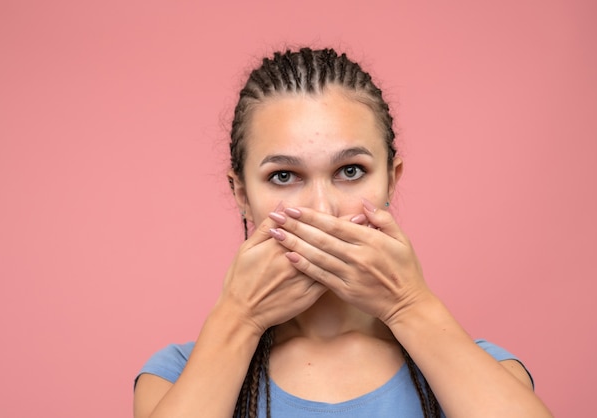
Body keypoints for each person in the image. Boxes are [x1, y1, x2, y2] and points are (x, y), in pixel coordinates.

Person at [133, 47, 553, 418]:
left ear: (391, 179)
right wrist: (238, 318)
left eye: (350, 171)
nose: (322, 208)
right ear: (241, 194)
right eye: (283, 175)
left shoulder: (482, 373)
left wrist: (409, 305)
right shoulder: (174, 377)